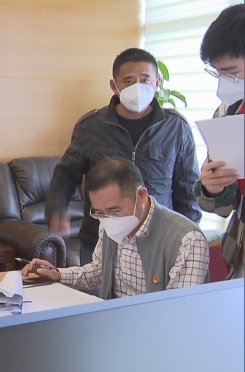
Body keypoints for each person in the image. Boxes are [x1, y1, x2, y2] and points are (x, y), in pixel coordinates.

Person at [46, 48, 202, 265]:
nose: (138, 87)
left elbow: (188, 188)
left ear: (157, 82)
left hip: (157, 240)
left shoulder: (176, 127)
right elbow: (66, 175)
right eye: (129, 81)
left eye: (145, 79)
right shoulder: (91, 126)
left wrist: (190, 235)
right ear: (114, 86)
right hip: (100, 241)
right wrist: (57, 209)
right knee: (95, 288)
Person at [24, 157, 209, 299]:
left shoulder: (187, 240)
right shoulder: (108, 221)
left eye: (115, 211)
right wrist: (57, 274)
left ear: (142, 195)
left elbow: (179, 311)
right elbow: (99, 271)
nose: (108, 219)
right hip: (114, 322)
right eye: (99, 212)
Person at [194, 3, 245, 279]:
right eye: (218, 72)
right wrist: (212, 188)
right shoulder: (228, 112)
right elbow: (220, 207)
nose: (225, 81)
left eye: (232, 71)